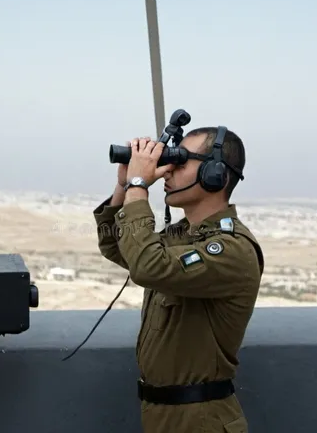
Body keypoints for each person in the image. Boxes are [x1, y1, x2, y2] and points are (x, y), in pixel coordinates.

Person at [93, 126, 264, 433]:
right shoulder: (183, 236)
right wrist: (123, 185)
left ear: (215, 174)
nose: (167, 171)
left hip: (201, 421)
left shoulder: (232, 249)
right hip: (165, 417)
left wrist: (139, 184)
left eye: (180, 162)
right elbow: (116, 246)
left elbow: (147, 266)